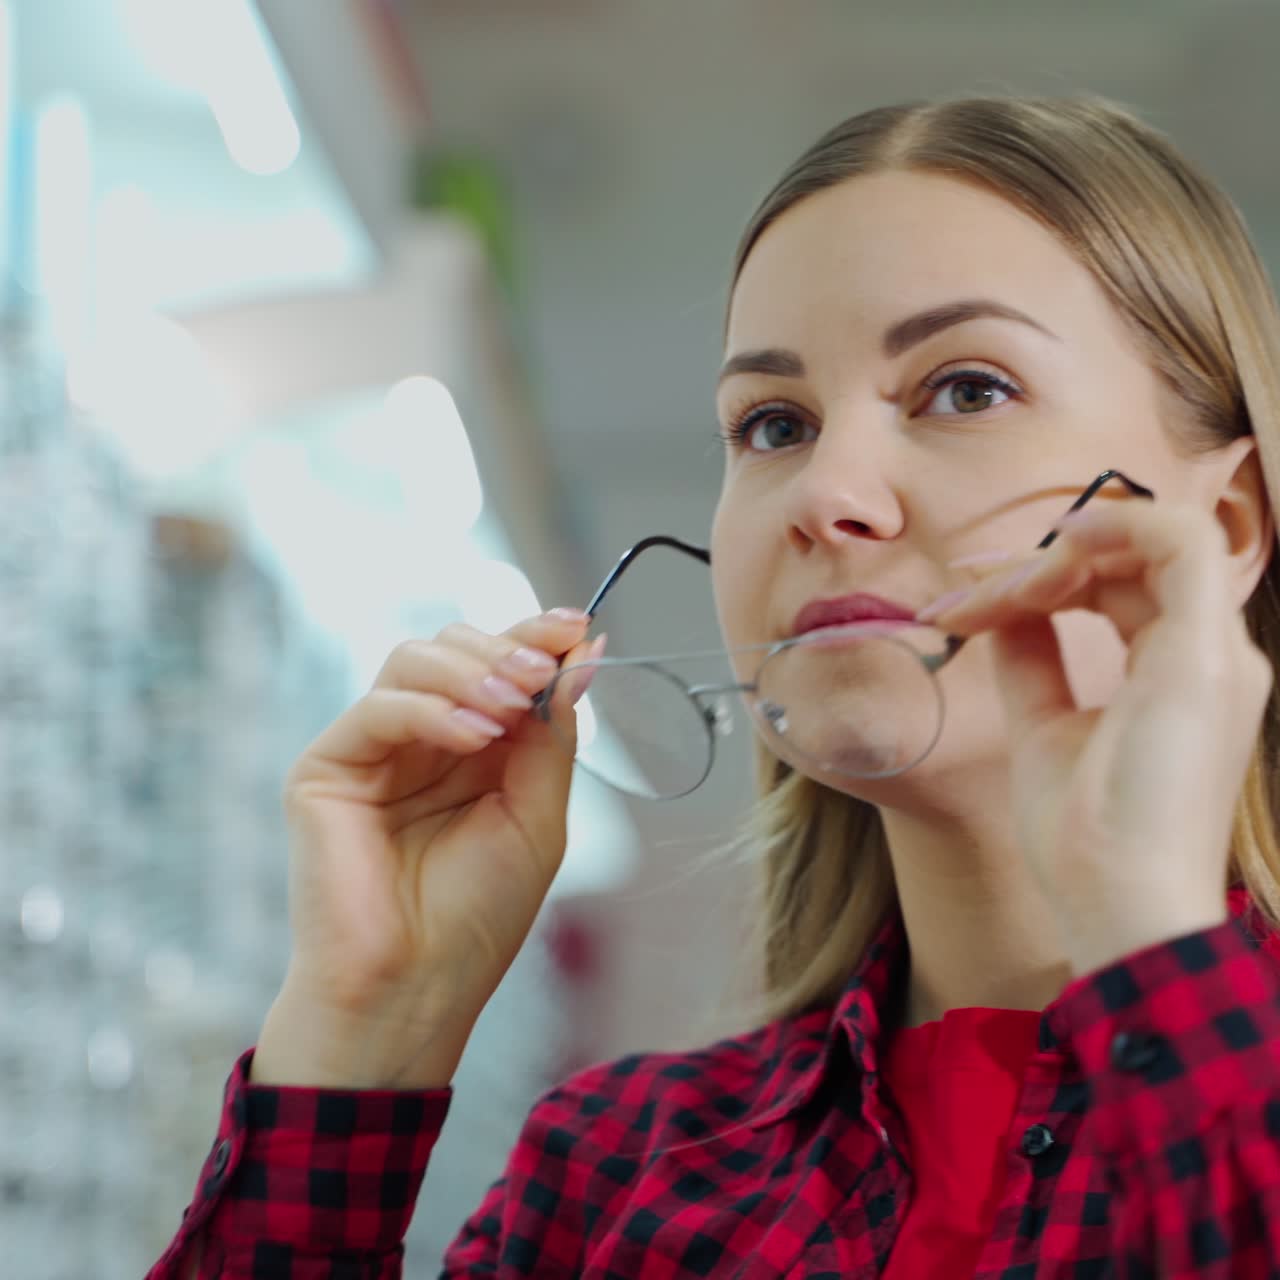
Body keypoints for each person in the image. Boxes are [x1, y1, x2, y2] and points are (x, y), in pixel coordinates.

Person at [148, 94, 1280, 1279]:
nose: (824, 490)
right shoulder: (612, 1176)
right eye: (773, 423)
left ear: (1225, 521)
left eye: (965, 389)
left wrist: (1149, 933)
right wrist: (364, 1031)